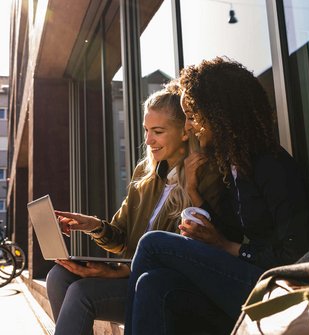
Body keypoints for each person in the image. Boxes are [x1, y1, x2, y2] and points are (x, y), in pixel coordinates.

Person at [124, 56, 309, 335]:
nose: (189, 127)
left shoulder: (271, 165)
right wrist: (194, 193)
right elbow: (227, 232)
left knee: (153, 244)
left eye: (193, 117)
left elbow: (297, 252)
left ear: (220, 113)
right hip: (248, 280)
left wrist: (231, 248)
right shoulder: (234, 166)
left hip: (279, 290)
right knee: (153, 284)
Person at [46, 82, 225, 335]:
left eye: (158, 132)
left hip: (161, 286)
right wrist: (92, 225)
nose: (148, 140)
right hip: (130, 274)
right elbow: (121, 237)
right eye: (146, 130)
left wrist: (117, 273)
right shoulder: (145, 174)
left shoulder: (208, 175)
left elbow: (191, 256)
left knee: (80, 292)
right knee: (58, 276)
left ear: (185, 131)